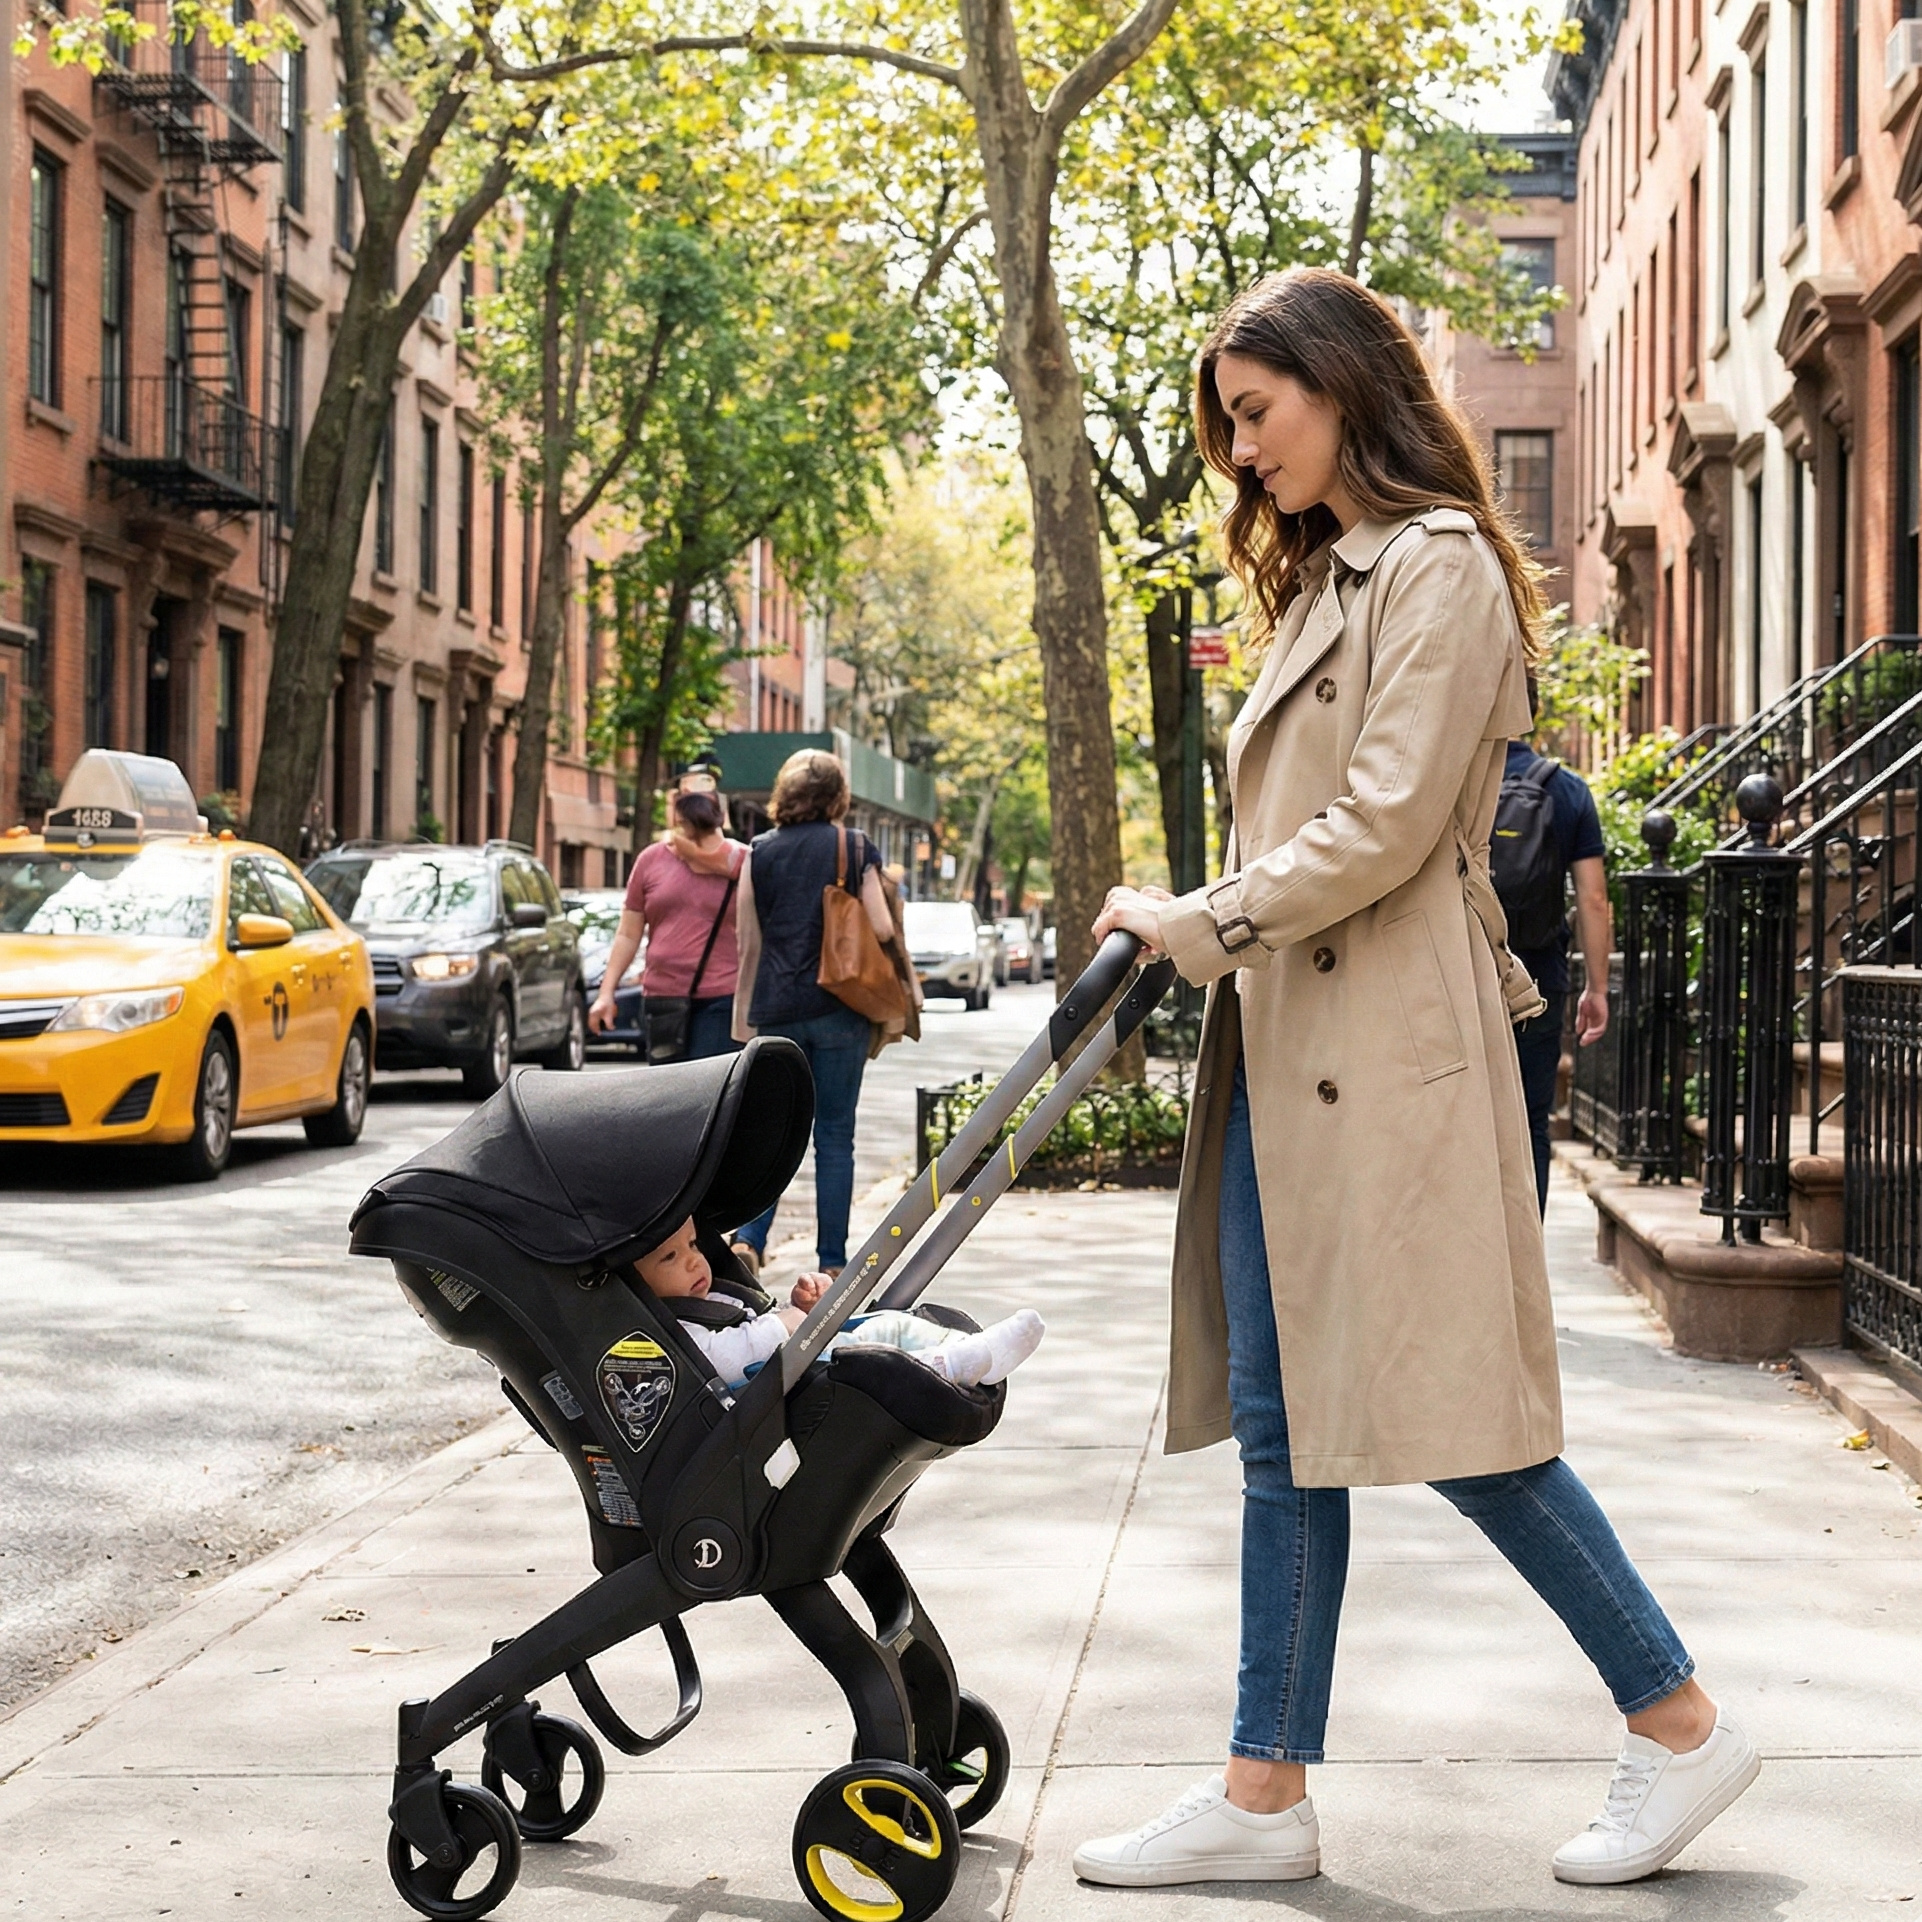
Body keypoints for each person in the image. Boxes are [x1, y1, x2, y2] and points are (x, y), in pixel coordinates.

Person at [1080, 268, 1757, 1890]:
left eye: (1257, 413)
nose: (1240, 454)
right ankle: (1261, 1793)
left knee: (1456, 1420)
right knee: (1282, 1427)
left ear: (1342, 385)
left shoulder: (1436, 564)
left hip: (1391, 1058)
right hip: (1290, 1056)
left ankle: (1677, 1723)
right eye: (1226, 427)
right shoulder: (1321, 583)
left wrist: (1202, 916)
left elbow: (1382, 820)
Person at [591, 772, 771, 1269]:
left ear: (716, 809)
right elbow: (630, 933)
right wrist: (606, 992)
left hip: (721, 1002)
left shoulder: (741, 861)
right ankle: (678, 1229)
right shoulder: (652, 860)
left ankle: (716, 1233)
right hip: (663, 1002)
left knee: (715, 1117)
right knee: (669, 1119)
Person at [732, 750, 897, 1274]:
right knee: (833, 1136)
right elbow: (882, 927)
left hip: (777, 1008)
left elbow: (747, 940)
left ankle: (750, 1239)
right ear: (837, 796)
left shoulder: (758, 851)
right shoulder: (853, 846)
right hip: (839, 1010)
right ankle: (830, 1263)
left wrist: (745, 1018)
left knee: (776, 1134)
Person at [630, 1216, 1045, 1389]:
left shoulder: (708, 1294)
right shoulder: (666, 1331)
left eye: (691, 1245)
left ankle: (967, 1348)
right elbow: (725, 1358)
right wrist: (789, 1322)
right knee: (874, 1354)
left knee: (887, 1325)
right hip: (777, 1383)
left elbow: (750, 1320)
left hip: (794, 1354)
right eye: (670, 1257)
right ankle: (951, 1366)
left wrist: (792, 1308)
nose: (693, 1260)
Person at [1493, 732, 1612, 1212]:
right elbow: (1593, 898)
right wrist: (1598, 988)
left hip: (1462, 969)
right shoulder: (1567, 790)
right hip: (1539, 980)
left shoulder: (1459, 781)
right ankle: (1527, 1266)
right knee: (1530, 1121)